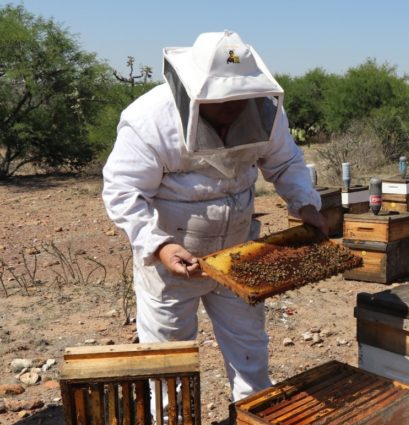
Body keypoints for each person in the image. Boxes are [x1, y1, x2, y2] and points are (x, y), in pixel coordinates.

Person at [102, 30, 327, 403]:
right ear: (193, 89)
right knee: (168, 362)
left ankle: (252, 422)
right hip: (173, 263)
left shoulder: (263, 112)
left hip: (238, 254)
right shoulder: (149, 119)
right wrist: (159, 245)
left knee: (250, 350)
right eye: (224, 99)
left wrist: (305, 204)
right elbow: (123, 191)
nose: (235, 107)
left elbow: (286, 162)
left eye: (241, 97)